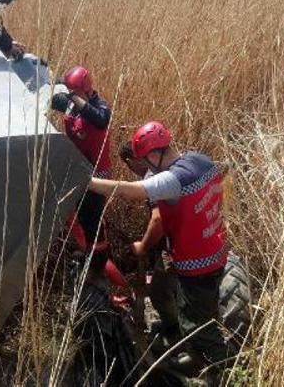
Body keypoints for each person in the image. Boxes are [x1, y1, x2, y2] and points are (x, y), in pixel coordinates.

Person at [88, 121, 229, 370]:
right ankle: (205, 354)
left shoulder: (174, 179)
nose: (146, 167)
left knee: (195, 323)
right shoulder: (201, 161)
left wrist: (88, 182)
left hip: (196, 262)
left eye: (145, 160)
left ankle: (220, 367)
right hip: (215, 249)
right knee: (204, 308)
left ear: (154, 154)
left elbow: (130, 191)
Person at [51, 66, 112, 272]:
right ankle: (87, 251)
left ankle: (97, 266)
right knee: (79, 215)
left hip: (95, 176)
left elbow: (100, 119)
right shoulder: (71, 103)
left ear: (85, 90)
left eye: (74, 91)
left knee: (93, 222)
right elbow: (52, 99)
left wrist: (74, 98)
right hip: (76, 170)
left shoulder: (100, 107)